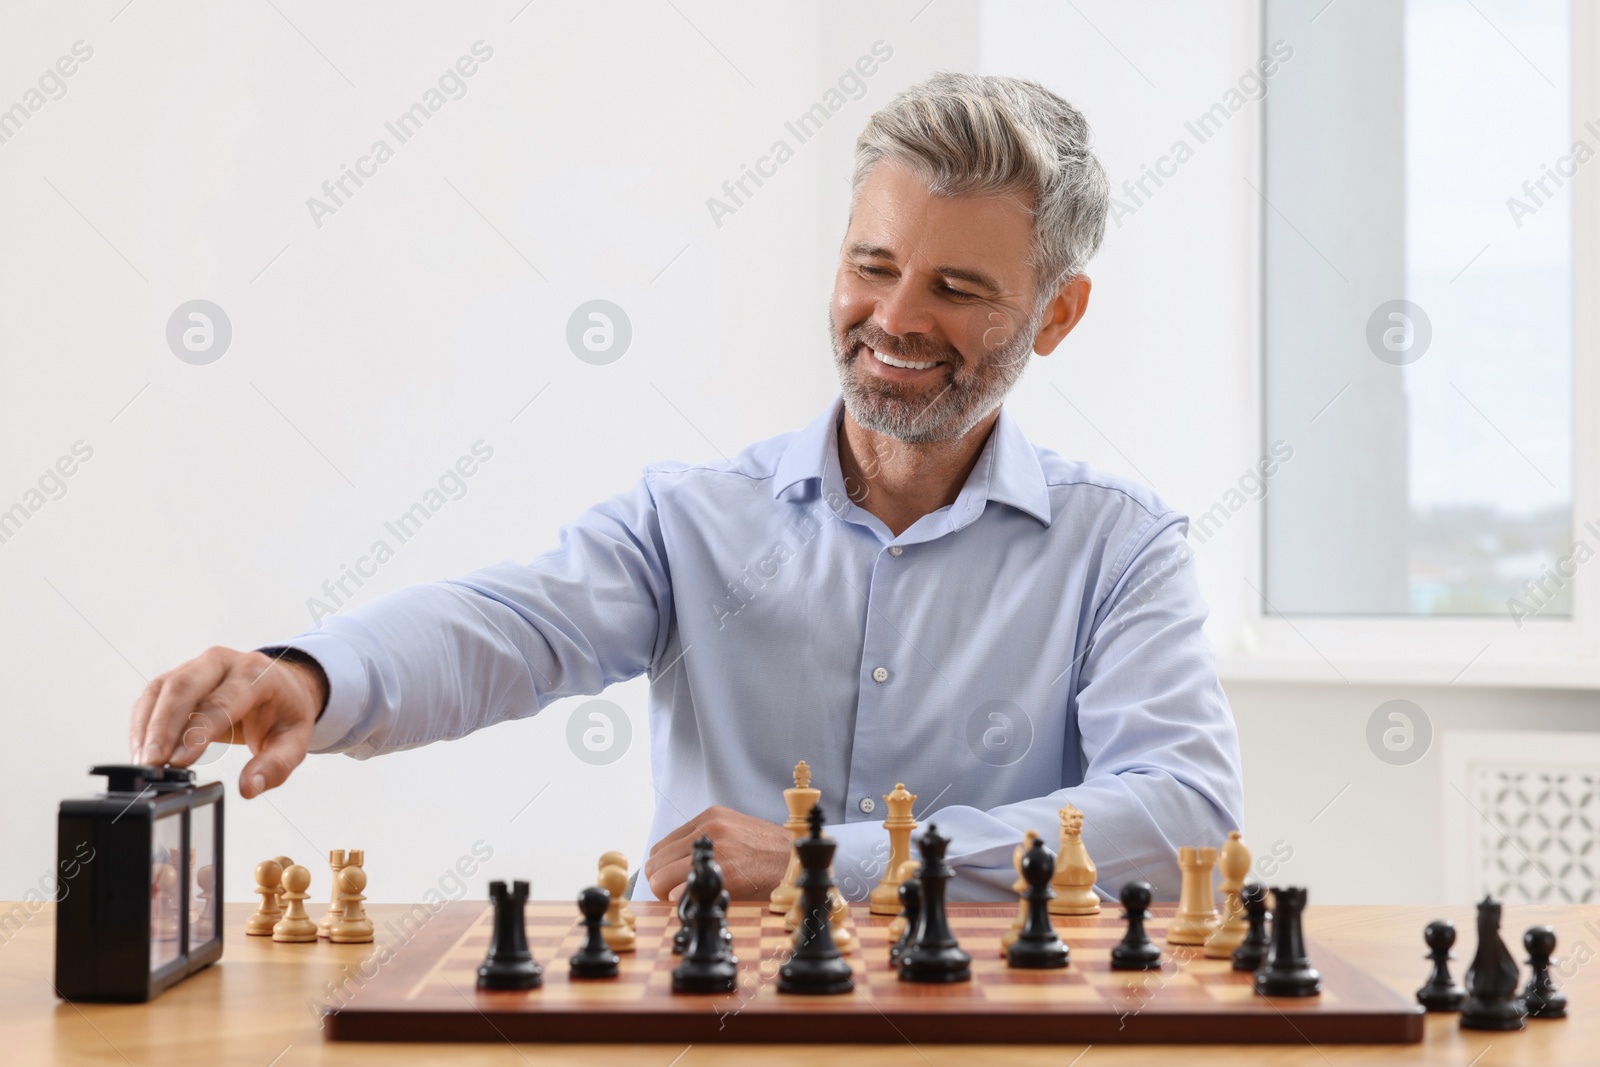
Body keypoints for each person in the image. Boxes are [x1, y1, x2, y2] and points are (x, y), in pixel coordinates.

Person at [127, 72, 1243, 903]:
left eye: (957, 286)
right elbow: (508, 625)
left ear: (1056, 313)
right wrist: (312, 674)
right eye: (872, 265)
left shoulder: (1122, 547)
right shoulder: (694, 517)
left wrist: (832, 865)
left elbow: (1179, 808)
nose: (896, 318)